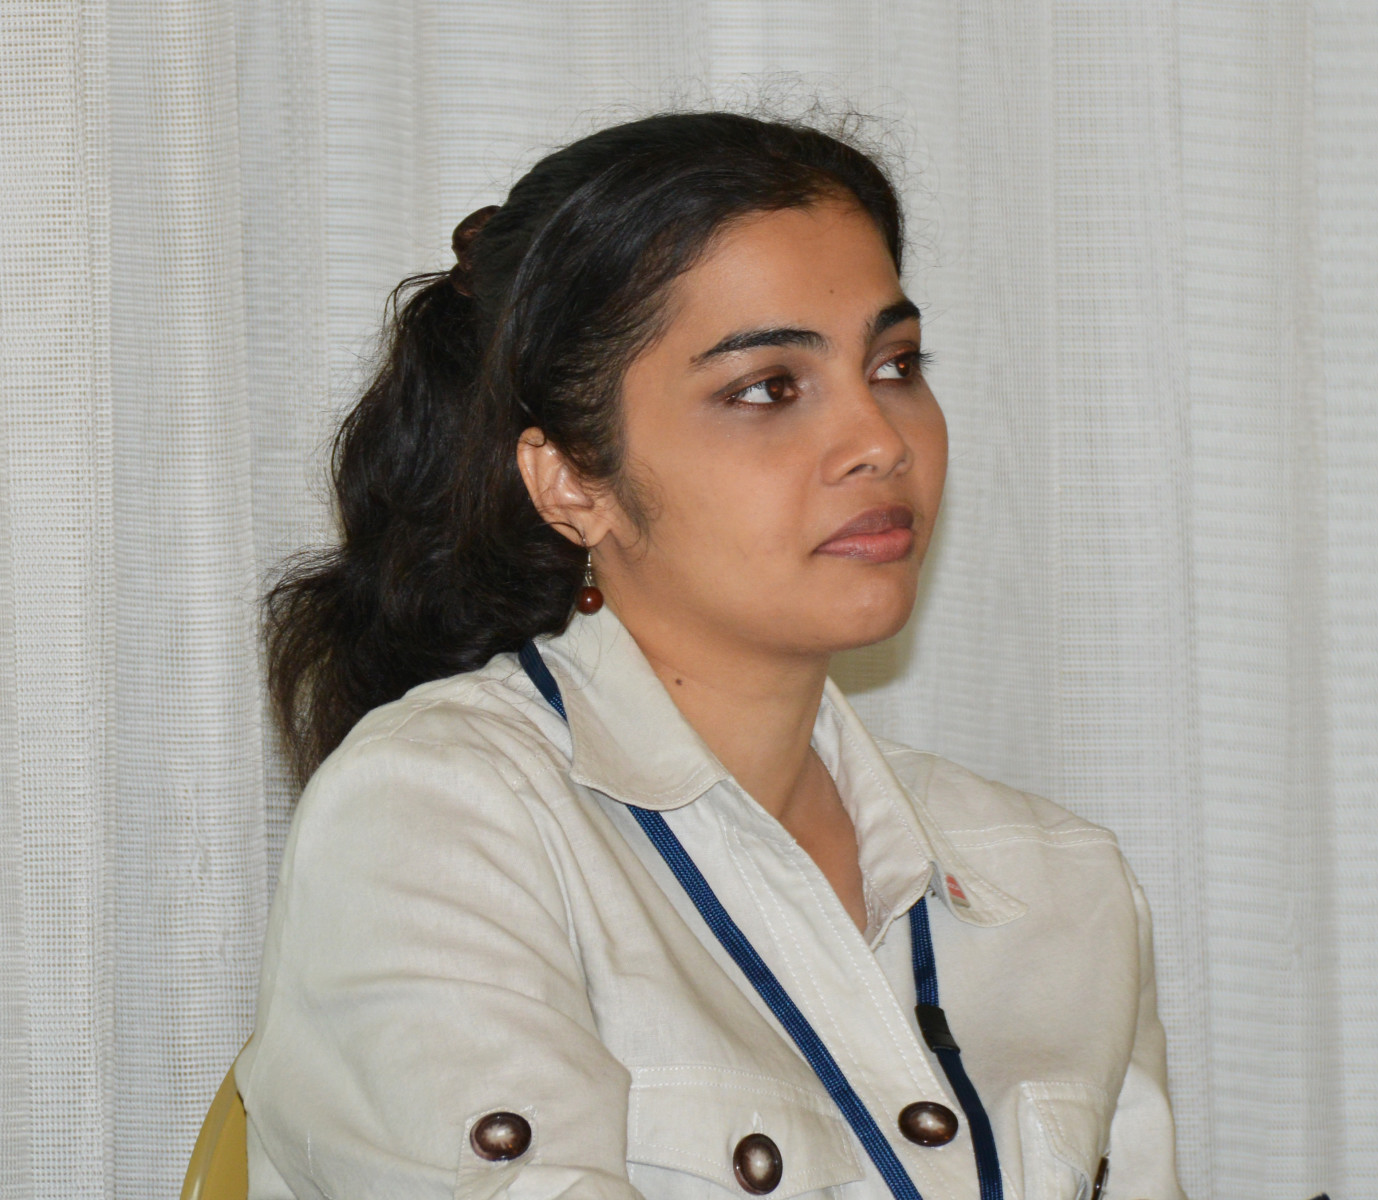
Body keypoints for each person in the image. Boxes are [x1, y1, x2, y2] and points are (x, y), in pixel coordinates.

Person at [235, 111, 1185, 1200]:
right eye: (767, 388)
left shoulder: (1059, 881)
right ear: (569, 481)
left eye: (894, 364)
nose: (880, 441)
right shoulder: (438, 819)